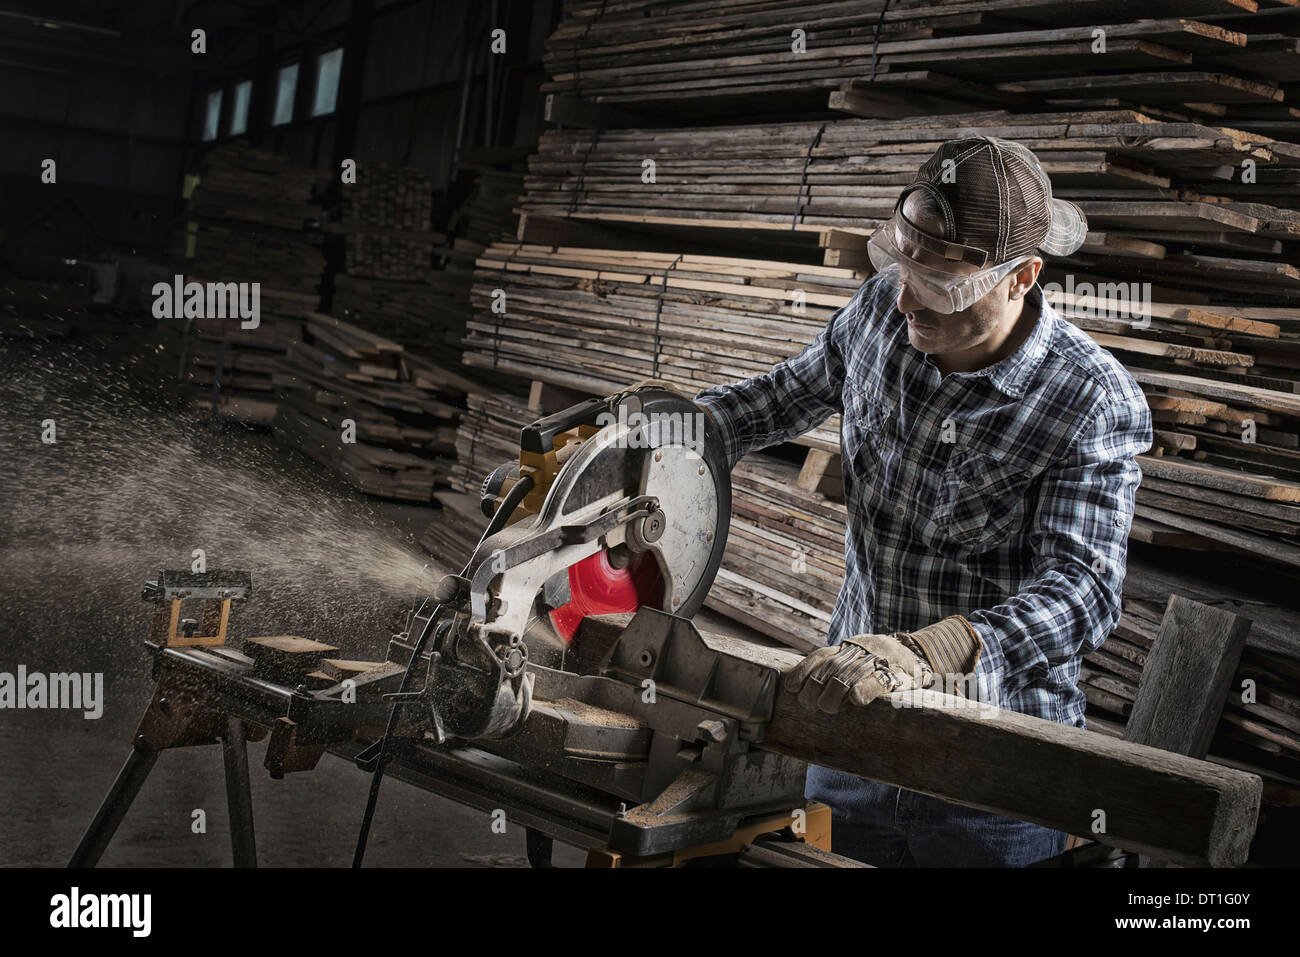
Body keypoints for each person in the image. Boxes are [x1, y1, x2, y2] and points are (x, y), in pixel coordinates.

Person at [692, 136, 1153, 867]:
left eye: (938, 282)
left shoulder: (1088, 401)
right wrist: (679, 426)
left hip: (992, 767)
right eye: (902, 266)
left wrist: (933, 650)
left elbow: (1084, 593)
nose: (906, 296)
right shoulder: (883, 311)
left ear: (1022, 277)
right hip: (851, 729)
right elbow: (782, 397)